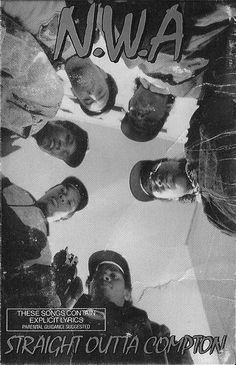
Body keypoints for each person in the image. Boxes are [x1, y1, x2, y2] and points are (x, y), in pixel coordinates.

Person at [73, 250, 193, 364]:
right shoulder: (72, 313)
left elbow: (179, 354)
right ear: (90, 286)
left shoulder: (150, 328)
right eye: (98, 274)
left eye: (114, 275)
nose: (105, 278)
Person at [2, 175, 89, 270]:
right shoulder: (15, 190)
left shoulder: (44, 254)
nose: (62, 197)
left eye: (69, 203)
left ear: (66, 217)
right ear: (51, 189)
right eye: (63, 190)